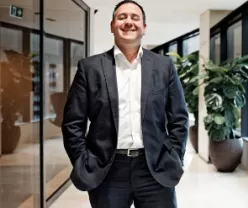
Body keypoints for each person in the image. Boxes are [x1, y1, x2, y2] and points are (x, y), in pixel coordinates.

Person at [61, 1, 189, 207]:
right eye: (122, 17)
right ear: (112, 25)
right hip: (107, 170)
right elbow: (72, 122)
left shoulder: (163, 66)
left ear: (144, 28)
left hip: (155, 168)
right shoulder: (90, 68)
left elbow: (179, 118)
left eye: (135, 17)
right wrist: (82, 160)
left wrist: (174, 156)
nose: (128, 22)